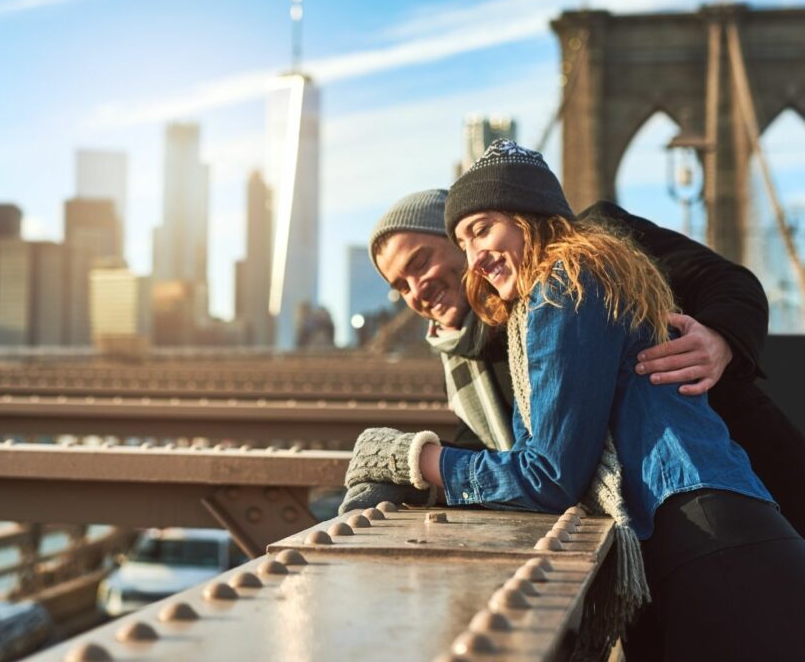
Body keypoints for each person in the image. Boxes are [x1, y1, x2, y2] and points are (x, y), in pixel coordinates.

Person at [343, 140, 805, 660]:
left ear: (526, 212)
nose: (418, 288)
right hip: (678, 541)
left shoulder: (566, 282)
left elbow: (547, 473)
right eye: (399, 285)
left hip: (716, 523)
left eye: (478, 231)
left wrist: (414, 460)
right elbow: (515, 451)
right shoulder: (512, 326)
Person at [344, 181, 805, 538]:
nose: (416, 289)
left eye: (420, 261)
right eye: (401, 285)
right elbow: (491, 457)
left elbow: (726, 281)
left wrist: (720, 339)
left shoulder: (590, 248)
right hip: (647, 531)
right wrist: (403, 472)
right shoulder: (469, 367)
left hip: (739, 476)